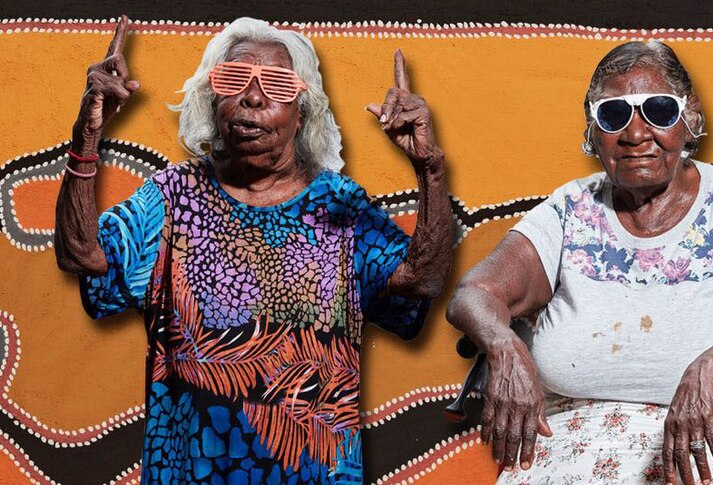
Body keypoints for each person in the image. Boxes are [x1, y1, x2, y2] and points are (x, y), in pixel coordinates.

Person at [54, 16, 453, 484]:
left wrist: (429, 171)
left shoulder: (340, 206)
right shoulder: (172, 197)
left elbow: (421, 279)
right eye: (233, 79)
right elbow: (82, 255)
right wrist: (86, 137)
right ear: (212, 98)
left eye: (278, 83)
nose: (253, 95)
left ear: (302, 111)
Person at [446, 41, 713, 485]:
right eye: (613, 115)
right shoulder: (570, 208)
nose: (635, 134)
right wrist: (502, 345)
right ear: (592, 130)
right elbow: (475, 294)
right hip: (571, 443)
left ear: (689, 119)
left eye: (659, 110)